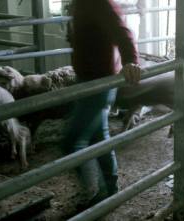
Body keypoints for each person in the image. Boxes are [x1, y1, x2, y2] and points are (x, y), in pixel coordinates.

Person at [63, 0, 142, 204]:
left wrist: (131, 61)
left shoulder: (99, 2)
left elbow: (124, 33)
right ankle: (110, 188)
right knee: (99, 137)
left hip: (100, 82)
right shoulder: (80, 3)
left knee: (73, 140)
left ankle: (91, 192)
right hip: (88, 79)